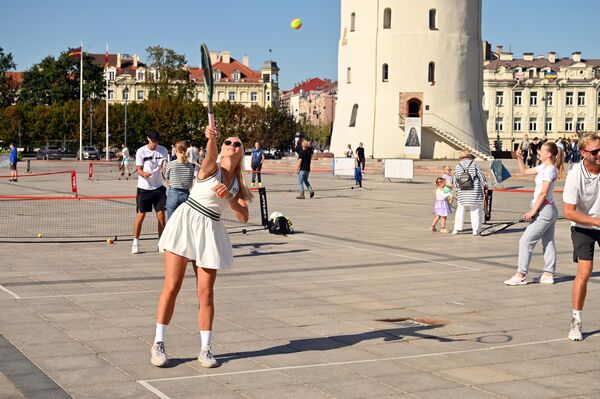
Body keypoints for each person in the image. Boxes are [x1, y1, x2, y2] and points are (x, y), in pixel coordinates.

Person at [152, 126, 253, 368]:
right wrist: (211, 139)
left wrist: (229, 196)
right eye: (228, 142)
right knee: (172, 285)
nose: (232, 145)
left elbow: (244, 217)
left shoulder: (237, 184)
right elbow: (209, 155)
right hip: (186, 222)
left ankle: (205, 349)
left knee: (206, 293)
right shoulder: (212, 167)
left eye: (237, 144)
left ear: (241, 154)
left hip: (210, 230)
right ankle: (158, 343)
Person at [504, 142, 564, 286]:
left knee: (526, 241)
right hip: (547, 210)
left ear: (549, 154)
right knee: (548, 242)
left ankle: (521, 274)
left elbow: (543, 192)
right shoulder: (543, 167)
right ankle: (548, 275)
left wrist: (533, 211)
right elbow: (524, 171)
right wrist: (519, 158)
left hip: (544, 210)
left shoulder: (550, 170)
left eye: (542, 150)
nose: (539, 151)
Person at [562, 133, 600, 341]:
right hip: (583, 226)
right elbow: (569, 212)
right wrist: (596, 222)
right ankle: (576, 320)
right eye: (595, 151)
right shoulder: (576, 174)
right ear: (584, 153)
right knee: (585, 271)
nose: (599, 153)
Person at [132, 131, 169, 254]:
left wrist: (166, 173)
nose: (155, 143)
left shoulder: (163, 150)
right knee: (141, 216)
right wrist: (144, 174)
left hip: (158, 188)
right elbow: (138, 169)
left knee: (161, 216)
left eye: (157, 141)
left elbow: (165, 166)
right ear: (148, 139)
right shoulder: (140, 151)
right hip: (144, 188)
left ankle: (161, 243)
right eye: (153, 141)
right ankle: (135, 243)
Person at [452, 150, 487, 235]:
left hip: (462, 192)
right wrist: (485, 185)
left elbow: (455, 179)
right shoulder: (474, 164)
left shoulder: (458, 166)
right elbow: (481, 176)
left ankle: (456, 229)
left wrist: (457, 189)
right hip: (474, 192)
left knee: (460, 210)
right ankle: (475, 230)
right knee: (475, 211)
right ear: (469, 156)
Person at [165, 141, 195, 220]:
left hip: (173, 193)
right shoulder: (191, 166)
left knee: (171, 222)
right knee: (184, 222)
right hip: (186, 194)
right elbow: (191, 182)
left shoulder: (171, 164)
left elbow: (166, 177)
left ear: (177, 151)